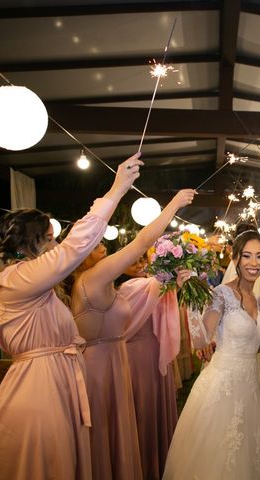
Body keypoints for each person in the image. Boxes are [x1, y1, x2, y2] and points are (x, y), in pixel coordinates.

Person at [0, 153, 142, 480]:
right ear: (32, 243)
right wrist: (116, 191)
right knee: (50, 464)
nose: (56, 243)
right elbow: (75, 248)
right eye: (50, 237)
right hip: (39, 388)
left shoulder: (29, 280)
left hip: (56, 380)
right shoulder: (16, 279)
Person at [68, 189, 195, 480]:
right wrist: (174, 204)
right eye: (99, 243)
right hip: (101, 369)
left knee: (116, 438)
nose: (105, 246)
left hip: (112, 362)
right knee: (106, 436)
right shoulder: (94, 277)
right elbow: (143, 241)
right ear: (85, 252)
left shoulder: (97, 278)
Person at [163, 229, 260, 479]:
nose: (254, 263)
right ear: (235, 259)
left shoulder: (259, 299)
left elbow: (258, 343)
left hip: (250, 386)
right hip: (222, 385)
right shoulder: (222, 295)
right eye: (247, 256)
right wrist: (190, 301)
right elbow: (202, 338)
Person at [117, 259, 183, 480]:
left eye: (142, 259)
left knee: (152, 405)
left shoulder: (150, 284)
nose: (138, 263)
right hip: (137, 355)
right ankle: (144, 464)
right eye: (132, 260)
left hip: (155, 351)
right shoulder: (125, 288)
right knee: (142, 410)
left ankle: (160, 461)